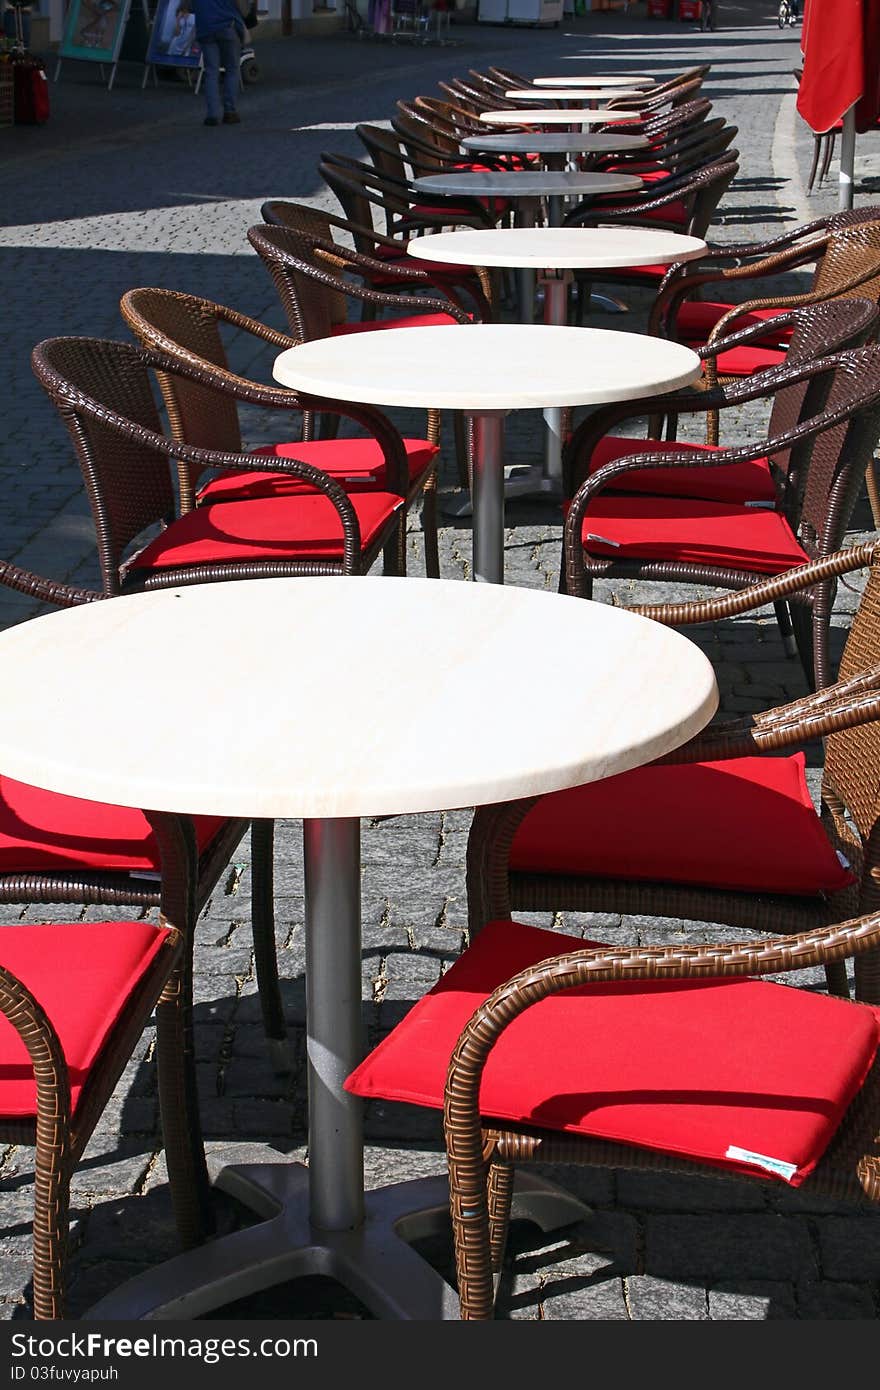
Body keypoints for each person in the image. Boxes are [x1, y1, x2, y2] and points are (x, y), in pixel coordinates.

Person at [191, 0, 244, 126]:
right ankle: (230, 112)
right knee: (232, 69)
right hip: (227, 25)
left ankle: (212, 114)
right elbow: (243, 6)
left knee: (211, 71)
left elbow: (189, 6)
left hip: (206, 28)